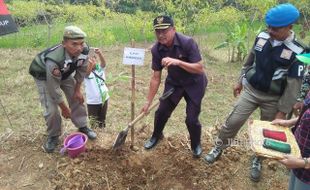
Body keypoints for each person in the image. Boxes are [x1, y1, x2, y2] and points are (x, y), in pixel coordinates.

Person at [204, 3, 306, 182]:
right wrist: (239, 81)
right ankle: (218, 148)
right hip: (251, 91)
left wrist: (282, 112)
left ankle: (257, 159)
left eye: (275, 28)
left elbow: (293, 86)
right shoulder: (261, 37)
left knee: (265, 133)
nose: (270, 30)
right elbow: (249, 61)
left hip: (274, 99)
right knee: (233, 121)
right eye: (269, 26)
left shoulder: (298, 51)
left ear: (289, 27)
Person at [141, 15, 207, 158]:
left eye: (164, 31)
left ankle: (196, 144)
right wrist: (148, 101)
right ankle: (156, 136)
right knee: (161, 112)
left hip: (194, 83)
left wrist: (178, 62)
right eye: (158, 31)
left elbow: (200, 68)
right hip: (174, 83)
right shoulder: (156, 50)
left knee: (191, 119)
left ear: (174, 30)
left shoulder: (187, 42)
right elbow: (155, 77)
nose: (161, 35)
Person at [29, 25, 97, 153]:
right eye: (74, 44)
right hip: (43, 75)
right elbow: (53, 87)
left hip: (64, 72)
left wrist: (77, 90)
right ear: (64, 44)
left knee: (77, 98)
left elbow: (82, 70)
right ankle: (53, 136)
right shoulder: (53, 59)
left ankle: (82, 126)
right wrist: (64, 108)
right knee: (52, 109)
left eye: (81, 43)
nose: (79, 48)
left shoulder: (84, 50)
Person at [271, 53, 310, 189]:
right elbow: (306, 115)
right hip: (299, 158)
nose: (308, 68)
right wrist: (289, 122)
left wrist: (302, 163)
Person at [84, 48, 109, 128]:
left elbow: (104, 63)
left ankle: (102, 132)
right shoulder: (85, 72)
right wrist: (90, 65)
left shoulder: (99, 68)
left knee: (102, 119)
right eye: (90, 59)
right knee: (93, 121)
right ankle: (94, 134)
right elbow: (87, 74)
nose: (92, 60)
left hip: (104, 99)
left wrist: (100, 54)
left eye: (94, 58)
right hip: (92, 102)